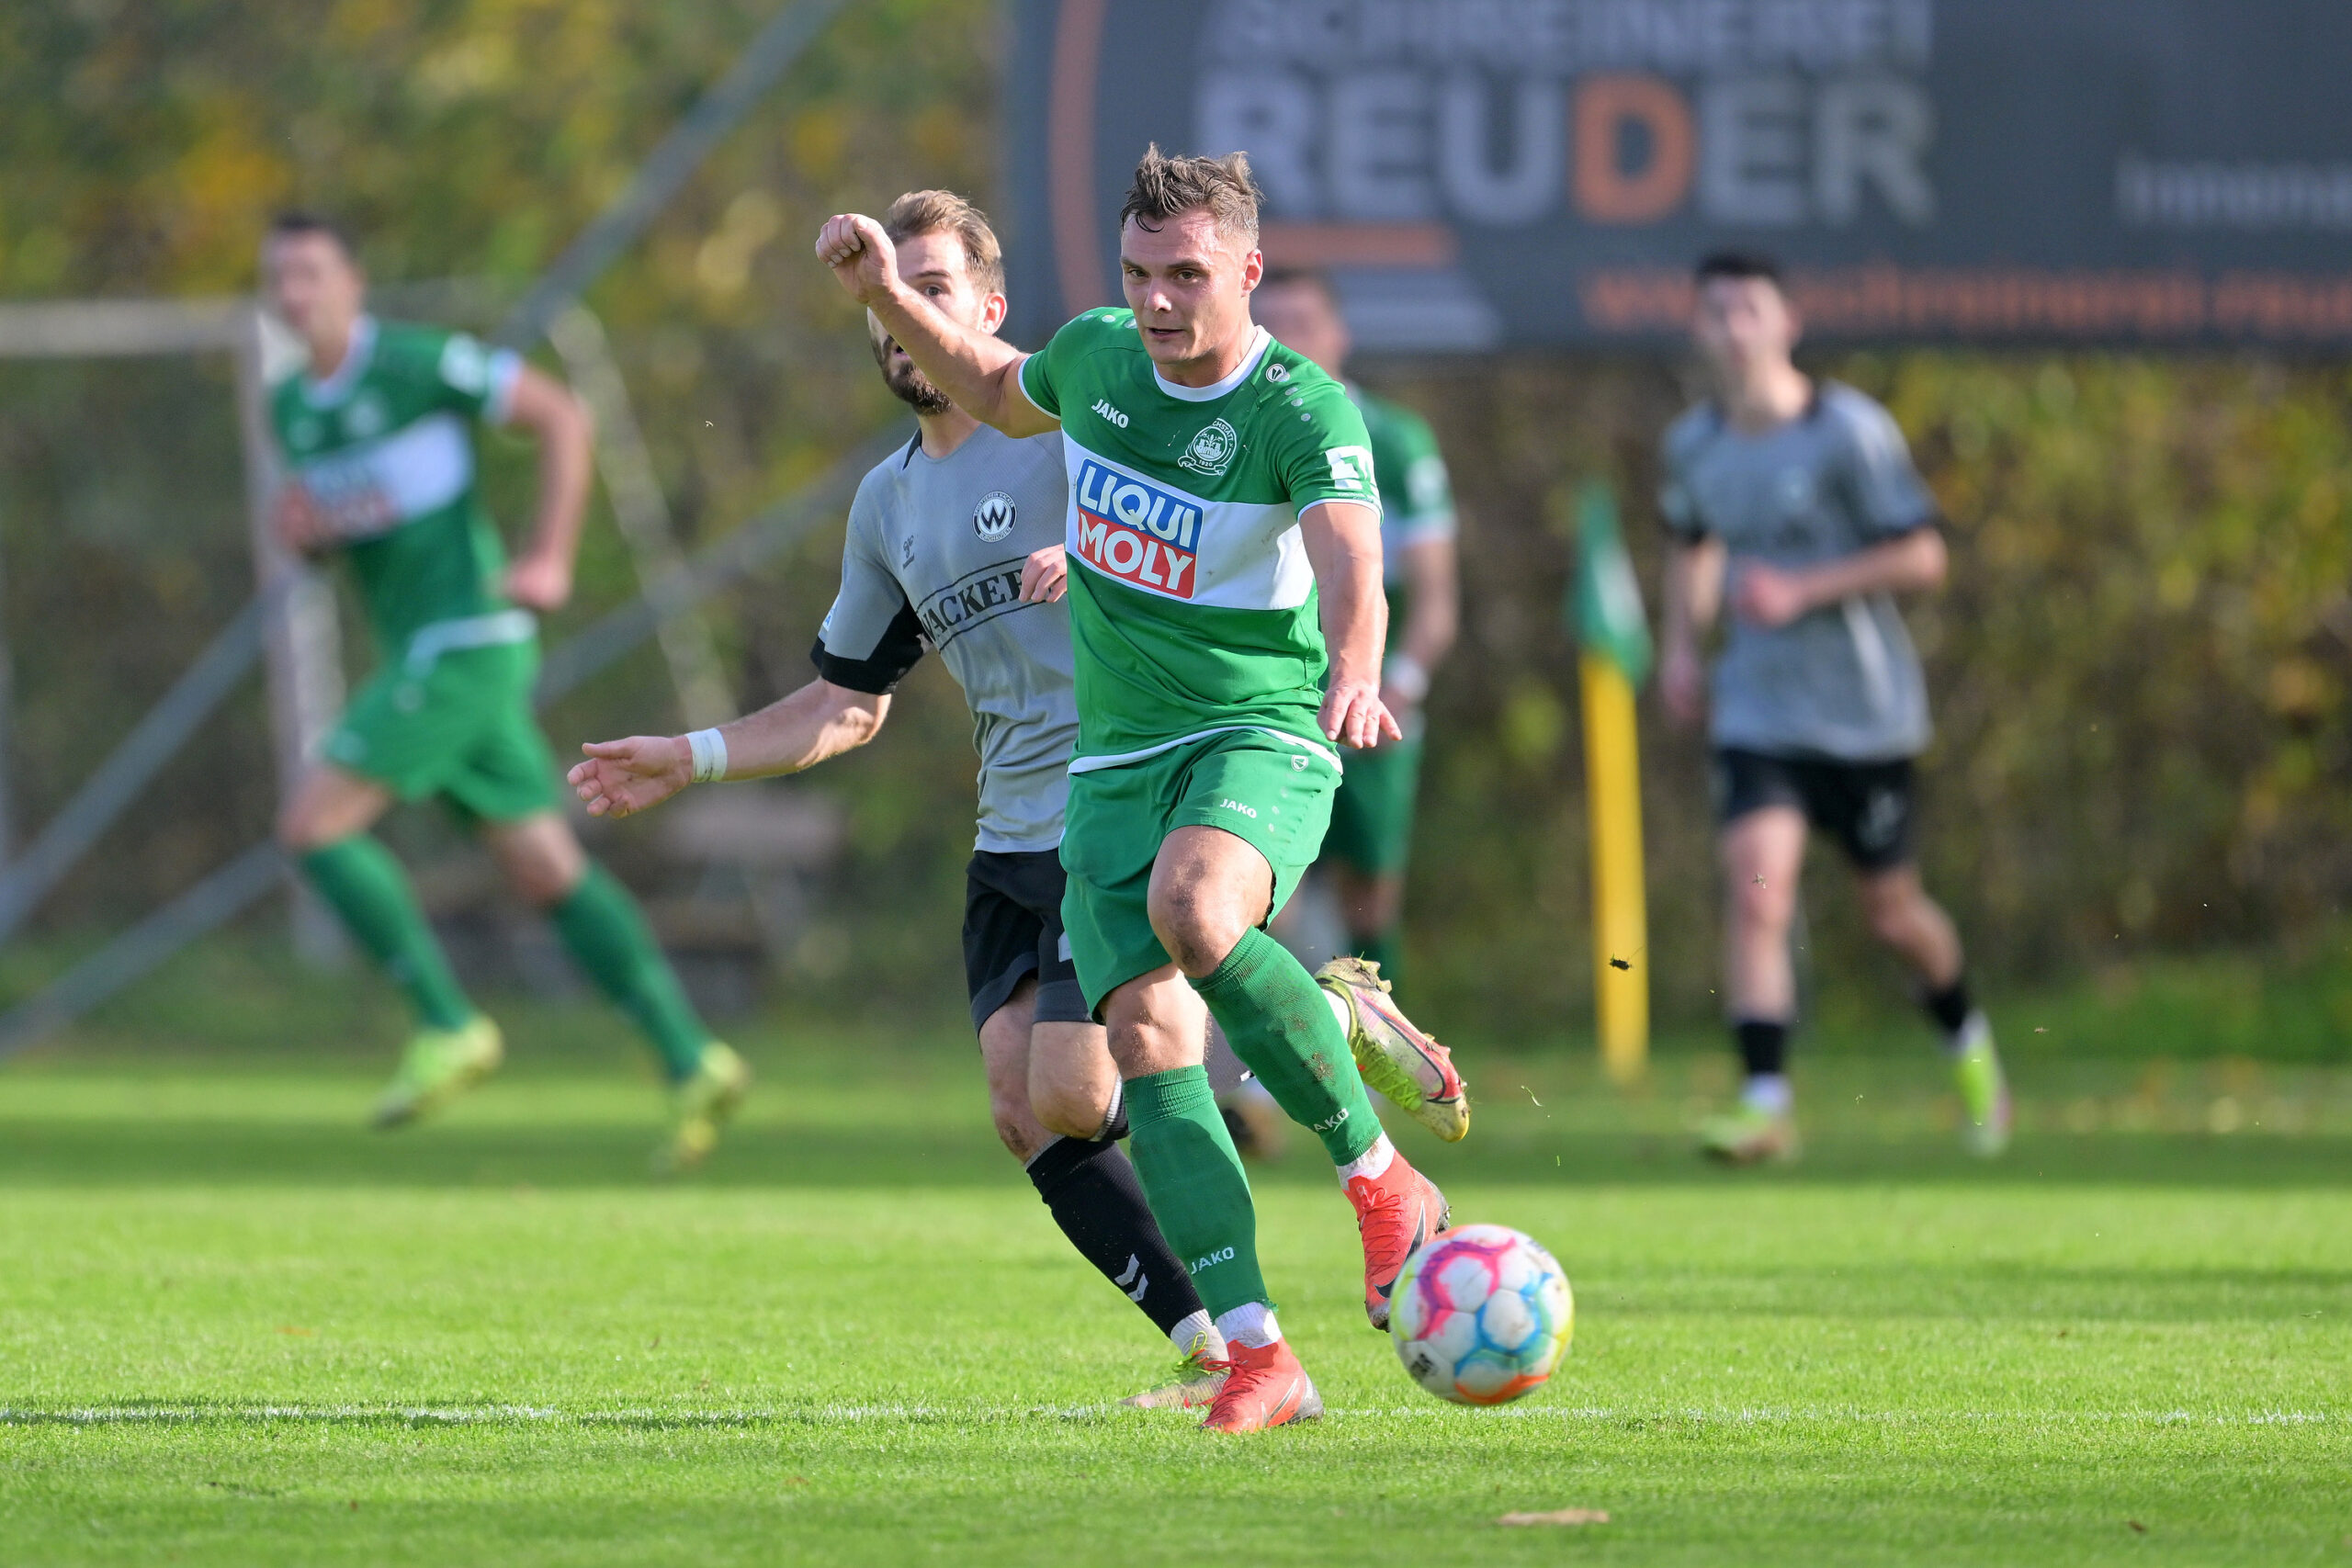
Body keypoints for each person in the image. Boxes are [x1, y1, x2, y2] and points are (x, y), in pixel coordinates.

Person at [816, 146, 1468, 1433]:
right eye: (1136, 273)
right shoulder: (1101, 358)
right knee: (1148, 1052)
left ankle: (1383, 1180)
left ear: (1248, 271)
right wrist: (885, 294)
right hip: (1111, 770)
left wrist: (1355, 668)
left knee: (1194, 907)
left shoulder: (1300, 408)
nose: (1159, 301)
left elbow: (1355, 559)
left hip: (1256, 733)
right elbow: (992, 385)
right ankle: (1258, 1356)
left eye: (1186, 275)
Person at [568, 190, 1227, 1408]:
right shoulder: (888, 503)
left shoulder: (1075, 424)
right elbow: (847, 701)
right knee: (1022, 1108)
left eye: (929, 290)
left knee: (1079, 1088)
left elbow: (1216, 526)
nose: (900, 316)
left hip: (1123, 801)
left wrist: (1101, 553)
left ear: (990, 308)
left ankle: (1278, 1018)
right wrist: (691, 755)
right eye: (885, 296)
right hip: (1009, 837)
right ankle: (1211, 1346)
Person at [260, 212, 747, 1171]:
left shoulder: (415, 364)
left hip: (467, 641)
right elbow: (339, 535)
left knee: (313, 827)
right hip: (423, 653)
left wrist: (548, 557)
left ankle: (446, 1022)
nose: (293, 293)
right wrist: (308, 540)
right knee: (544, 869)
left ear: (353, 281)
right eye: (278, 277)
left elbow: (560, 413)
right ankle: (692, 1058)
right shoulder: (290, 409)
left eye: (311, 272)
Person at [1656, 250, 2011, 1165]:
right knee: (1757, 886)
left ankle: (1968, 1042)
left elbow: (1923, 556)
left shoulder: (1848, 430)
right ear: (1699, 328)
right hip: (1758, 711)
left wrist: (1802, 588)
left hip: (1865, 714)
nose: (1734, 327)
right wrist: (1682, 648)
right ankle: (1764, 1104)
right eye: (1717, 311)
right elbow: (1690, 544)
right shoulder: (1693, 445)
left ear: (1788, 322)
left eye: (1751, 308)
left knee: (1894, 914)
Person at [1250, 267, 1459, 989]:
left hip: (1370, 699)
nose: (1289, 342)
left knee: (1369, 895)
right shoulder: (1229, 433)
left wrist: (1396, 684)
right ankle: (1262, 1054)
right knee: (1261, 893)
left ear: (1339, 335)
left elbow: (1435, 600)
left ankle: (1377, 1042)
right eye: (1272, 326)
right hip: (1272, 698)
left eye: (1304, 324)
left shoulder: (1394, 443)